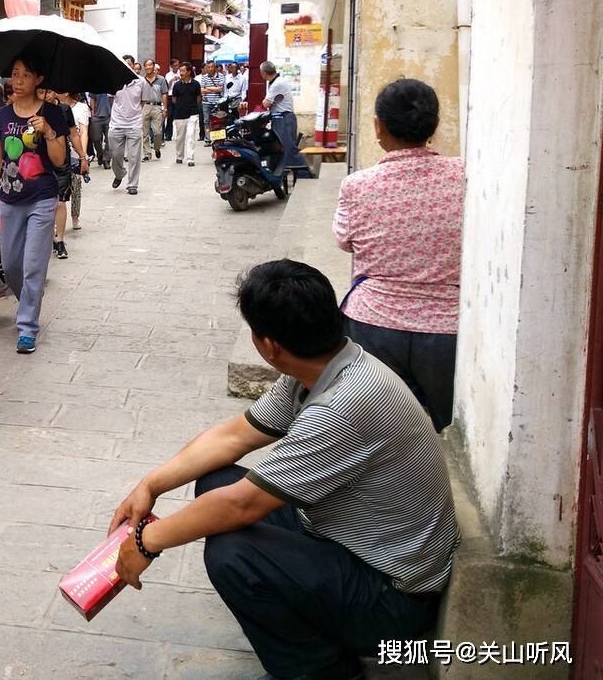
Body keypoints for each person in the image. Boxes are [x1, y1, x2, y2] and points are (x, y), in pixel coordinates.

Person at [109, 260, 459, 680]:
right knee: (216, 481)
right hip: (348, 541)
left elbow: (243, 506)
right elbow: (233, 437)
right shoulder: (325, 366)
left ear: (269, 346)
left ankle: (321, 670)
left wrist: (147, 542)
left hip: (393, 599)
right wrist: (151, 485)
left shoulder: (342, 406)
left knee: (233, 554)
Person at [333, 79, 463, 431]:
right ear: (434, 124)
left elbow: (344, 240)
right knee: (440, 429)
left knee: (371, 425)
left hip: (373, 324)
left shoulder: (358, 185)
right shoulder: (465, 174)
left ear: (378, 126)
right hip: (447, 327)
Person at [0, 49, 69, 353]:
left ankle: (27, 327)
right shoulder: (0, 116)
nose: (18, 80)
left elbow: (60, 160)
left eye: (25, 74)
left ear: (39, 79)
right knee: (10, 265)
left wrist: (48, 131)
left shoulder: (53, 114)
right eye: (15, 73)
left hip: (42, 199)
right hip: (10, 200)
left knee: (33, 265)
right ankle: (29, 303)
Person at [51, 91, 90, 257]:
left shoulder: (64, 110)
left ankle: (59, 240)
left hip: (62, 161)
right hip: (39, 162)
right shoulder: (32, 109)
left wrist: (83, 157)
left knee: (60, 201)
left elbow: (74, 134)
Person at [108, 70, 146, 195]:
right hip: (116, 124)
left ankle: (132, 185)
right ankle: (119, 174)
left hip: (134, 124)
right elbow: (110, 99)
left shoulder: (141, 81)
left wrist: (134, 113)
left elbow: (143, 101)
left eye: (129, 65)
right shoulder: (114, 79)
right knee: (116, 155)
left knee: (134, 157)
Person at [261, 61, 299, 171]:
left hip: (283, 118)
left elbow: (266, 103)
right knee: (282, 147)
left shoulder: (277, 83)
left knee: (288, 147)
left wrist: (266, 101)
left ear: (263, 73)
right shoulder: (277, 81)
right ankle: (281, 170)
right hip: (283, 117)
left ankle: (303, 173)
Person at [168, 65, 202, 165]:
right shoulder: (177, 85)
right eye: (180, 71)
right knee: (179, 138)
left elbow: (198, 98)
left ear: (189, 72)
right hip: (179, 114)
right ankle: (179, 156)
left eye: (183, 71)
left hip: (193, 113)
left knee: (191, 136)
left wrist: (192, 106)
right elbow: (174, 99)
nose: (181, 73)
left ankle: (190, 158)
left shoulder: (196, 84)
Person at [139, 59, 169, 161]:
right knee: (144, 133)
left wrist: (164, 108)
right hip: (145, 107)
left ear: (153, 66)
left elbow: (164, 94)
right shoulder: (142, 81)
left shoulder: (161, 79)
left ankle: (157, 147)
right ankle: (147, 154)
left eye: (150, 65)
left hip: (157, 107)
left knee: (158, 132)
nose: (148, 67)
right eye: (146, 65)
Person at [88, 90, 112, 170]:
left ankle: (106, 159)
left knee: (109, 139)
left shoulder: (112, 85)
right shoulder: (95, 86)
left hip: (109, 116)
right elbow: (92, 99)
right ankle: (100, 153)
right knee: (95, 138)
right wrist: (92, 114)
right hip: (97, 117)